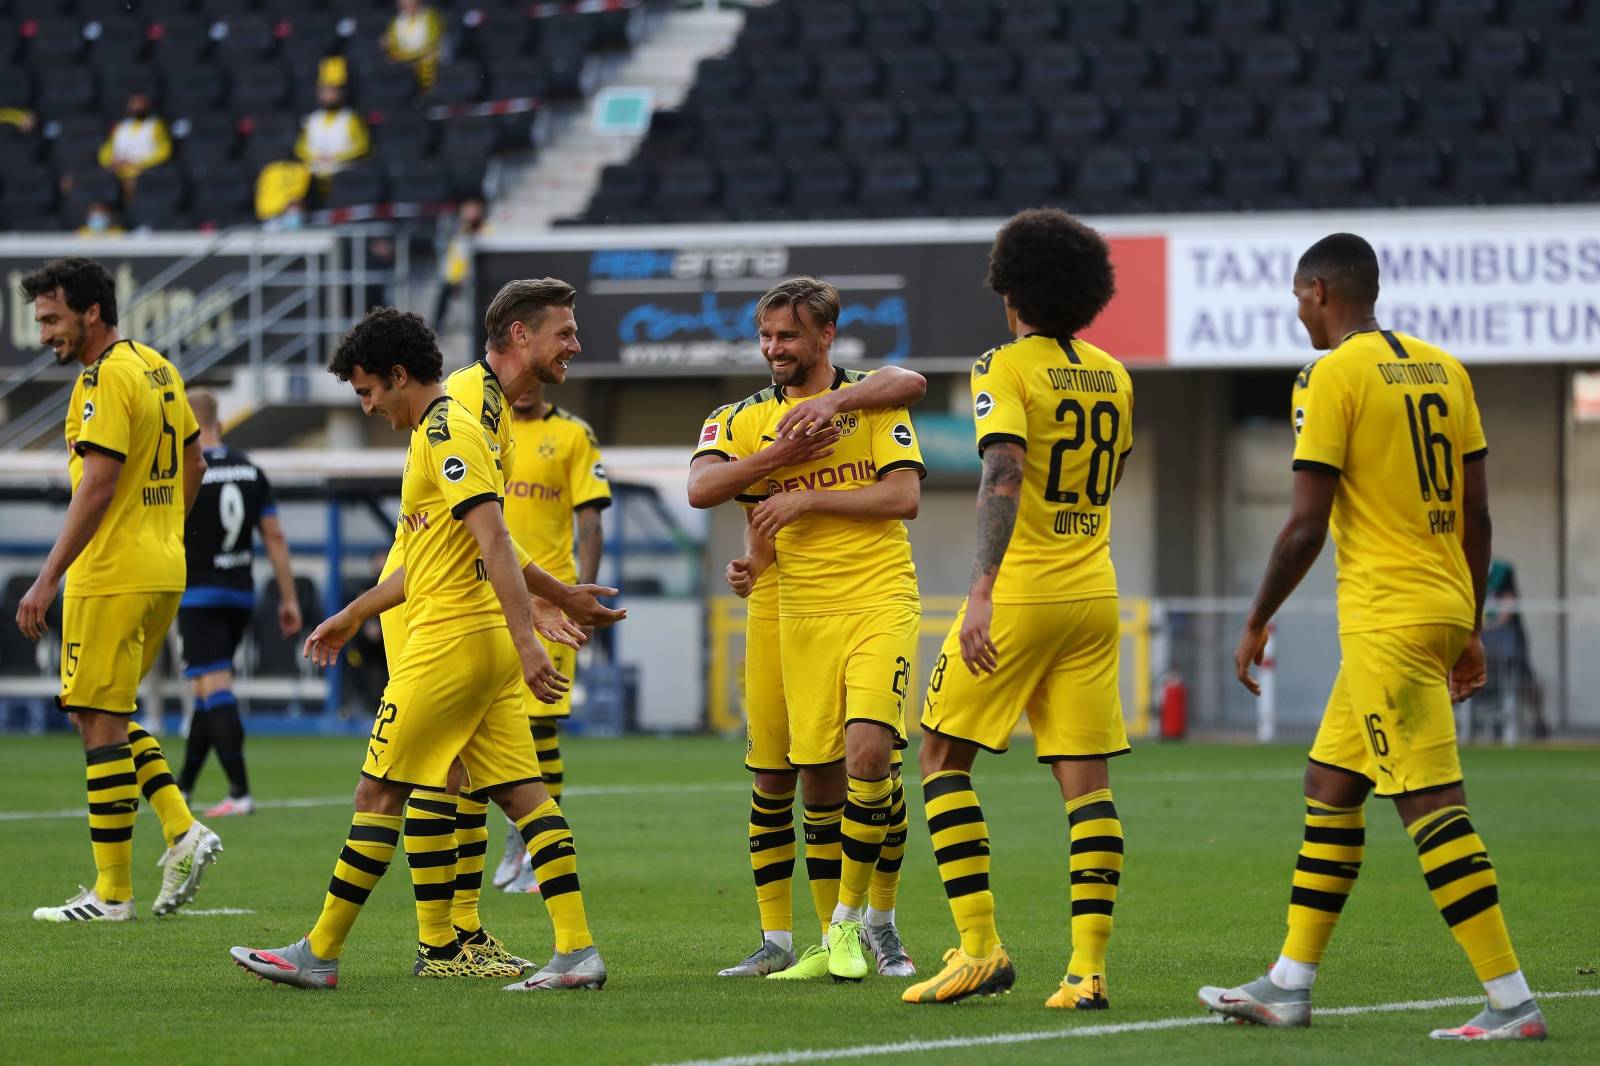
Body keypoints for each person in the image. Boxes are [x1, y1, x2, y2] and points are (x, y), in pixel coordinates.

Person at [1198, 233, 1546, 1041]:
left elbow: (1304, 525)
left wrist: (1256, 619)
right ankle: (1289, 984)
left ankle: (1512, 1000)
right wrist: (1466, 622)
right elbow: (1478, 515)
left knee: (1430, 805)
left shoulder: (1330, 376)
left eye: (1296, 296)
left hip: (1386, 620)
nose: (1295, 311)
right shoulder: (1445, 370)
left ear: (1321, 291)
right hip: (1437, 607)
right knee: (1331, 787)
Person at [230, 308, 609, 992]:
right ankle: (577, 950)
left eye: (368, 391)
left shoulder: (446, 428)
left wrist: (531, 639)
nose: (368, 405)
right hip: (478, 638)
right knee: (527, 797)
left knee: (378, 790)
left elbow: (496, 539)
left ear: (399, 376)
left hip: (450, 641)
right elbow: (451, 549)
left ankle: (318, 952)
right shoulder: (460, 427)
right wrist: (351, 612)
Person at [901, 208, 1134, 1009]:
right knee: (1087, 783)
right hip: (1095, 589)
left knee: (938, 757)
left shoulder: (1003, 365)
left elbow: (1004, 473)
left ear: (1012, 288)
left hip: (1024, 593)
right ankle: (1087, 971)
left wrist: (980, 591)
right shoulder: (1114, 372)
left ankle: (979, 949)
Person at [687, 277, 925, 984]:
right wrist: (777, 467)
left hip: (877, 594)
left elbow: (906, 491)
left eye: (787, 336)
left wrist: (813, 481)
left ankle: (867, 923)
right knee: (790, 779)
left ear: (826, 334)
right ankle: (797, 939)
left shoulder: (871, 401)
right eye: (765, 336)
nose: (773, 349)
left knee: (870, 755)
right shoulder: (739, 417)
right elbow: (703, 488)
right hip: (786, 606)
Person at [16, 257, 221, 923]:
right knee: (102, 712)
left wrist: (47, 578)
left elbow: (99, 484)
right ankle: (180, 828)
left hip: (110, 574)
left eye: (52, 318)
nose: (45, 332)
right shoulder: (158, 367)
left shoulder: (101, 380)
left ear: (91, 312)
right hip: (162, 567)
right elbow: (194, 460)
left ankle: (113, 892)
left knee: (95, 718)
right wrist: (165, 530)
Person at [493, 362, 612, 894]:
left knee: (539, 726)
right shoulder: (483, 426)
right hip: (487, 594)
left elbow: (590, 520)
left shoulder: (572, 434)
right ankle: (518, 836)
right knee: (492, 725)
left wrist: (581, 593)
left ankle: (539, 849)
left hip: (550, 596)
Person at [173, 389, 303, 817]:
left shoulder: (186, 470)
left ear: (186, 426)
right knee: (206, 691)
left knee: (215, 688)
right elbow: (276, 537)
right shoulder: (250, 471)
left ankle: (240, 791)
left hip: (198, 594)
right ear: (221, 424)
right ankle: (184, 788)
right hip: (240, 594)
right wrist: (288, 598)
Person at [296, 80, 370, 181]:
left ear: (341, 94)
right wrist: (316, 157)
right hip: (314, 173)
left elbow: (363, 146)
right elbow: (300, 148)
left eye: (332, 92)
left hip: (344, 171)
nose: (328, 96)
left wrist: (336, 157)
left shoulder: (350, 118)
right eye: (325, 92)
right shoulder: (312, 119)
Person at [98, 93, 171, 191]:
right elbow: (107, 149)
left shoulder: (156, 125)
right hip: (119, 174)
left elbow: (165, 150)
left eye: (140, 104)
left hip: (144, 173)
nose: (137, 107)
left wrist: (141, 163)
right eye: (134, 103)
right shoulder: (121, 126)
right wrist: (109, 162)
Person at [433, 198, 487, 330]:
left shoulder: (485, 228)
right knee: (445, 293)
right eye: (469, 209)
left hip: (476, 274)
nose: (472, 213)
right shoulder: (455, 229)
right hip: (454, 274)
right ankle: (438, 325)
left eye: (474, 209)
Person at [383, 0, 448, 92]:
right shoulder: (396, 21)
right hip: (405, 60)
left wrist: (407, 57)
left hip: (427, 59)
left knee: (427, 60)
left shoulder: (431, 16)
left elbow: (432, 44)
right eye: (404, 6)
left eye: (412, 5)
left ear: (419, 3)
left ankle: (427, 95)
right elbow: (393, 47)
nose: (408, 8)